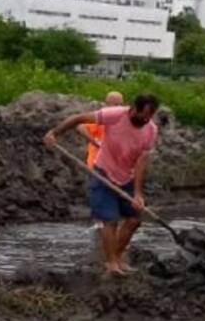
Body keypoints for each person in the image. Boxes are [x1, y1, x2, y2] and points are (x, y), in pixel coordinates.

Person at [44, 93, 161, 275]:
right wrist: (55, 133)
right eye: (143, 116)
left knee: (134, 220)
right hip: (103, 173)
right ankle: (111, 263)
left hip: (127, 177)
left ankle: (117, 257)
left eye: (149, 117)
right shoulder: (115, 115)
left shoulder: (151, 130)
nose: (145, 120)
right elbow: (78, 119)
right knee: (110, 220)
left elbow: (142, 162)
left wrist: (138, 193)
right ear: (133, 109)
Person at [78, 91, 122, 169]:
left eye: (120, 104)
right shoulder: (101, 118)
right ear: (107, 104)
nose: (118, 107)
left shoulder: (123, 120)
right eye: (115, 104)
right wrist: (94, 142)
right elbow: (81, 126)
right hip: (96, 164)